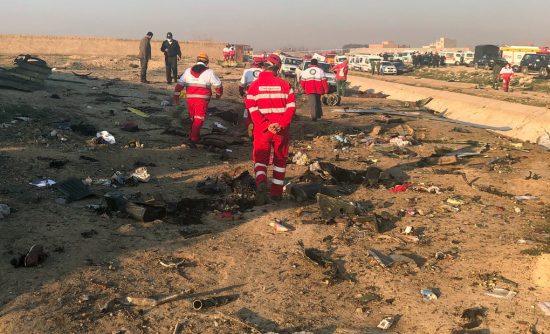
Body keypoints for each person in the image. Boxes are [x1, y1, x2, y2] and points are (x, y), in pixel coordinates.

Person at [244, 54, 296, 203]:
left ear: (263, 67)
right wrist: (281, 124)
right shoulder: (286, 85)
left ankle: (261, 181)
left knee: (260, 159)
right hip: (281, 131)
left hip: (263, 130)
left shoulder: (253, 86)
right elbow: (291, 108)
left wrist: (266, 125)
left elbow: (251, 108)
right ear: (278, 68)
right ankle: (276, 193)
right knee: (280, 160)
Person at [172, 53, 222, 145]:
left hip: (190, 98)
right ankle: (194, 138)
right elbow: (218, 86)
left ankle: (194, 135)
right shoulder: (209, 72)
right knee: (199, 118)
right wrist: (218, 95)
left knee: (193, 118)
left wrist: (176, 97)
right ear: (206, 62)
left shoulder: (188, 71)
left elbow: (179, 86)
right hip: (202, 99)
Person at [239, 57, 264, 133]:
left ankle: (248, 124)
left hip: (249, 95)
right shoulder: (264, 71)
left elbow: (242, 85)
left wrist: (242, 93)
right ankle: (259, 127)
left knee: (247, 110)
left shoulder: (247, 71)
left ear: (253, 63)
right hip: (261, 96)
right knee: (260, 111)